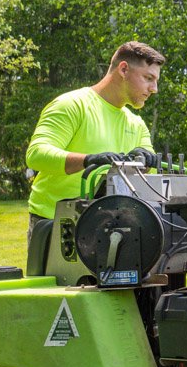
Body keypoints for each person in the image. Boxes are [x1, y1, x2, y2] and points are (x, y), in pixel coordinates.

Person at [25, 41, 165, 237]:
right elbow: (36, 155)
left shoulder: (136, 123)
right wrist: (88, 160)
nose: (154, 88)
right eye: (148, 78)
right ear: (123, 69)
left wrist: (145, 159)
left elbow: (146, 160)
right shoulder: (72, 105)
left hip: (112, 225)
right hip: (56, 223)